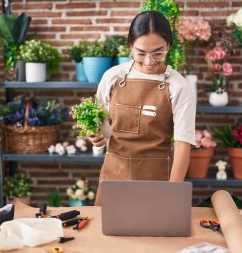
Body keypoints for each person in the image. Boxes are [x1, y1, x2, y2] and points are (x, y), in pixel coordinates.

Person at [88, 11, 196, 205]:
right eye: (141, 53)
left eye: (158, 52)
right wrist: (94, 135)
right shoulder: (112, 77)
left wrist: (172, 193)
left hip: (157, 183)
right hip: (114, 179)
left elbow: (182, 146)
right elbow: (98, 123)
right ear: (130, 47)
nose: (149, 61)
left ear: (169, 46)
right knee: (106, 234)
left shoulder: (179, 86)